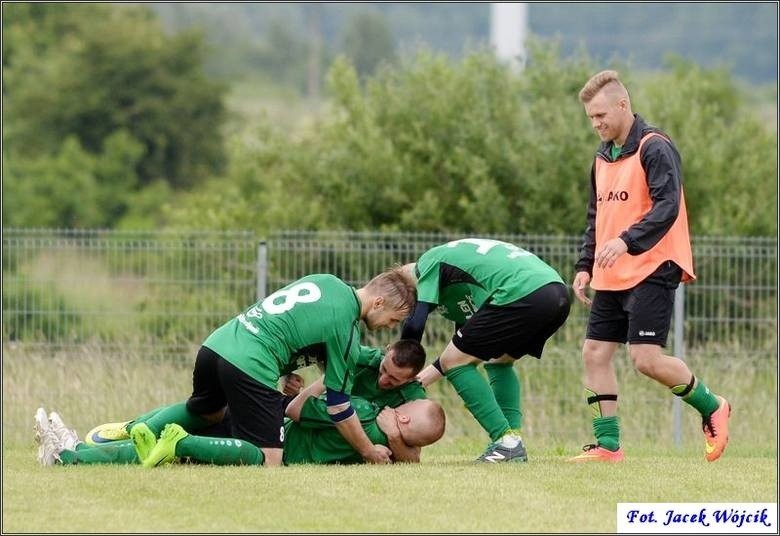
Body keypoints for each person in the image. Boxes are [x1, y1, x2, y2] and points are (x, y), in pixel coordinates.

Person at [568, 70, 730, 463]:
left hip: (654, 265)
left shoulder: (655, 147)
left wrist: (626, 241)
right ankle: (608, 446)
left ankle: (713, 406)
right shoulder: (601, 157)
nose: (597, 124)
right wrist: (585, 264)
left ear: (623, 105)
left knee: (645, 360)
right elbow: (596, 216)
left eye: (601, 115)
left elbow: (667, 208)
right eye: (591, 118)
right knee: (594, 353)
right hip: (611, 272)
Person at [128, 268, 417, 468]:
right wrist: (368, 451)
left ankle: (135, 430)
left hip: (218, 343)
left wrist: (291, 366)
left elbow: (295, 325)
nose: (389, 327)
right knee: (269, 459)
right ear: (378, 302)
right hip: (250, 363)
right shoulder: (347, 329)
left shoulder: (326, 281)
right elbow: (338, 406)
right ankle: (180, 444)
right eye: (393, 319)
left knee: (208, 411)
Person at [400, 237, 571, 463]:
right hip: (555, 291)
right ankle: (512, 439)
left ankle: (505, 442)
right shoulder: (461, 284)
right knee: (499, 359)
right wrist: (420, 381)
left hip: (522, 290)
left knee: (457, 362)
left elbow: (415, 325)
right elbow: (461, 353)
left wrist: (403, 373)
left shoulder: (427, 264)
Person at [33, 380, 445, 467]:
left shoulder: (366, 414)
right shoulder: (390, 449)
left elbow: (297, 411)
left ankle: (73, 453)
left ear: (403, 415)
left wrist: (299, 391)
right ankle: (75, 451)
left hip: (272, 435)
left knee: (178, 441)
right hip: (274, 440)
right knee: (158, 451)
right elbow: (412, 459)